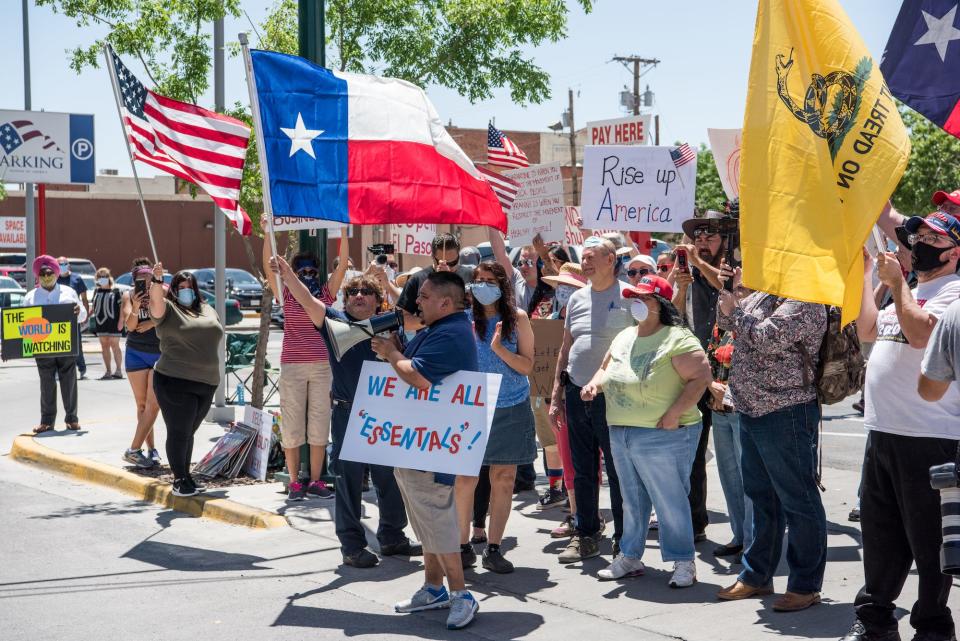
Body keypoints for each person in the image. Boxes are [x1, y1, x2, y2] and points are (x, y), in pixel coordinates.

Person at [841, 211, 960, 641]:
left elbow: (921, 336)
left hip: (930, 437)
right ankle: (875, 619)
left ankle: (931, 625)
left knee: (929, 542)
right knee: (880, 532)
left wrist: (897, 283)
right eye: (919, 236)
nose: (920, 243)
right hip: (885, 431)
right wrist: (866, 274)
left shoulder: (952, 292)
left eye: (933, 238)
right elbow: (870, 328)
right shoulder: (909, 290)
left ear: (953, 252)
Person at [271, 255, 420, 569]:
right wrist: (287, 275)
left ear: (378, 302)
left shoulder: (392, 325)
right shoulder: (334, 323)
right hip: (347, 414)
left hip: (382, 414)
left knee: (389, 479)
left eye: (366, 293)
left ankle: (393, 537)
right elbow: (308, 300)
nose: (358, 297)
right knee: (348, 482)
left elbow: (417, 311)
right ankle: (352, 546)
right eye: (353, 293)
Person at [581, 276, 711, 587]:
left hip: (664, 432)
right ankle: (630, 555)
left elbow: (701, 377)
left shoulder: (677, 338)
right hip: (622, 430)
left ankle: (683, 562)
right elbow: (605, 367)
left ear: (661, 305)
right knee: (632, 499)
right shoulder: (625, 336)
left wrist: (673, 414)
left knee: (670, 500)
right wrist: (594, 385)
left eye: (644, 298)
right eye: (634, 296)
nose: (636, 302)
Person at [370, 271, 480, 631]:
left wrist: (391, 353)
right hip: (417, 443)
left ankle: (461, 593)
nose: (417, 301)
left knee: (437, 519)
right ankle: (434, 588)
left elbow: (417, 377)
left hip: (431, 447)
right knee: (427, 521)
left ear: (446, 303)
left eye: (425, 297)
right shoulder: (441, 329)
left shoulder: (451, 333)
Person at [715, 265, 828, 613]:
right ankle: (757, 575)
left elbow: (766, 337)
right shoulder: (765, 294)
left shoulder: (806, 299)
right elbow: (729, 327)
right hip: (752, 408)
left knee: (798, 500)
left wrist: (736, 310)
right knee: (762, 498)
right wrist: (732, 304)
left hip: (785, 411)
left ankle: (805, 585)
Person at [549, 236, 631, 563]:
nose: (585, 262)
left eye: (592, 256)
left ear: (611, 260)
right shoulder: (577, 301)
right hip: (575, 391)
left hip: (613, 395)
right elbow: (565, 349)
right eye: (583, 257)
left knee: (618, 469)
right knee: (583, 470)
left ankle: (625, 539)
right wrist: (556, 394)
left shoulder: (628, 295)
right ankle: (585, 534)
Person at [261, 216, 350, 501]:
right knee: (292, 423)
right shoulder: (286, 295)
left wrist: (345, 234)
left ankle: (315, 480)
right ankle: (295, 482)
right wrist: (267, 234)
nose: (309, 274)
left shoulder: (325, 294)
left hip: (323, 366)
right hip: (293, 365)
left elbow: (342, 267)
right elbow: (268, 267)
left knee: (319, 423)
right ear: (294, 273)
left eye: (313, 270)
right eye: (303, 271)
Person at [455, 261, 536, 574]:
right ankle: (462, 546)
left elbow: (528, 366)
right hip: (471, 408)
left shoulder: (517, 319)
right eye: (478, 280)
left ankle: (494, 547)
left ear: (503, 287)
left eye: (490, 281)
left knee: (504, 479)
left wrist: (500, 349)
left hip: (511, 407)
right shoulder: (462, 321)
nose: (483, 286)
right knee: (466, 479)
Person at [674, 211, 729, 543]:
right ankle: (694, 523)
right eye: (698, 237)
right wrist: (679, 287)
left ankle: (747, 529)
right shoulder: (686, 271)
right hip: (693, 373)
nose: (703, 242)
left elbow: (727, 285)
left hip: (727, 374)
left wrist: (699, 263)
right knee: (691, 453)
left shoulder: (732, 266)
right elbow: (672, 314)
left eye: (710, 236)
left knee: (732, 457)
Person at [148, 264, 224, 498]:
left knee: (188, 432)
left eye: (189, 287)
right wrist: (156, 281)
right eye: (181, 287)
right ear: (173, 290)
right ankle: (179, 479)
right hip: (174, 381)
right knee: (179, 431)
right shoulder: (168, 308)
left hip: (206, 382)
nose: (186, 290)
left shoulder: (206, 308)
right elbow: (156, 301)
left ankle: (187, 476)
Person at [541, 262, 589, 538]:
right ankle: (575, 513)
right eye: (560, 287)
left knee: (589, 459)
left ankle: (590, 514)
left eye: (569, 288)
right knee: (568, 456)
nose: (563, 292)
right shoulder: (546, 322)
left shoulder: (589, 320)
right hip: (555, 397)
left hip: (585, 395)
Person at [706, 315, 752, 564]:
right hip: (719, 409)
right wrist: (711, 383)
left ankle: (752, 542)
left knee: (748, 479)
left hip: (743, 410)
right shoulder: (721, 325)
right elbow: (709, 357)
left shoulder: (752, 321)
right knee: (729, 476)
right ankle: (740, 537)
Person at [24, 255, 86, 433]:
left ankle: (72, 419)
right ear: (38, 275)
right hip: (42, 347)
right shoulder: (30, 297)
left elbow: (82, 316)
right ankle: (47, 421)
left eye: (49, 272)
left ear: (56, 273)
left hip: (66, 345)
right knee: (46, 383)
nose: (46, 276)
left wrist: (78, 310)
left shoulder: (69, 293)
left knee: (69, 381)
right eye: (42, 273)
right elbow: (21, 325)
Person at [120, 259, 163, 469]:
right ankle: (150, 449)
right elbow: (129, 326)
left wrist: (152, 322)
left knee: (154, 404)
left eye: (148, 279)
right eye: (140, 280)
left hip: (159, 353)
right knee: (142, 405)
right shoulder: (128, 295)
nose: (144, 284)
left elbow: (171, 316)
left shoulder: (161, 291)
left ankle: (138, 449)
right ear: (134, 280)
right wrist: (136, 306)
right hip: (136, 353)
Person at [396, 233, 475, 325]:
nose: (448, 267)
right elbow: (401, 318)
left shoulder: (471, 275)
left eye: (453, 262)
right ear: (433, 257)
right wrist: (430, 321)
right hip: (432, 337)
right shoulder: (418, 279)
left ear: (458, 255)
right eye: (442, 263)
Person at [57, 256, 89, 379]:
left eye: (64, 264)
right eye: (60, 264)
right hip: (58, 318)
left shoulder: (77, 279)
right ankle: (59, 370)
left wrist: (84, 316)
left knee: (76, 343)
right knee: (60, 344)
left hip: (74, 317)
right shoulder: (54, 279)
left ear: (68, 265)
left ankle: (81, 368)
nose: (62, 266)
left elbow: (84, 299)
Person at [90, 267, 124, 380]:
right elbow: (94, 307)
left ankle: (118, 370)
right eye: (100, 277)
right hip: (101, 323)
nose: (102, 279)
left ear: (109, 277)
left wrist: (121, 321)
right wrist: (87, 316)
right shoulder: (96, 291)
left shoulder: (116, 291)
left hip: (114, 322)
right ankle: (108, 371)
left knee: (115, 345)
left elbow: (122, 307)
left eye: (104, 276)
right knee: (104, 346)